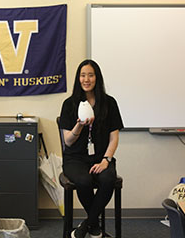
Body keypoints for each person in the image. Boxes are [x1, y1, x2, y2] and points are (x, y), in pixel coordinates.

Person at [59, 59, 124, 238]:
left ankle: (87, 225)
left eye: (90, 75)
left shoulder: (109, 103)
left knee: (108, 178)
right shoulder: (69, 104)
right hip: (75, 159)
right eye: (82, 75)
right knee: (84, 181)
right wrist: (79, 126)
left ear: (97, 78)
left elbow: (114, 138)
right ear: (78, 78)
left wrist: (106, 160)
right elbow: (68, 141)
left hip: (101, 158)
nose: (86, 79)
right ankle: (95, 227)